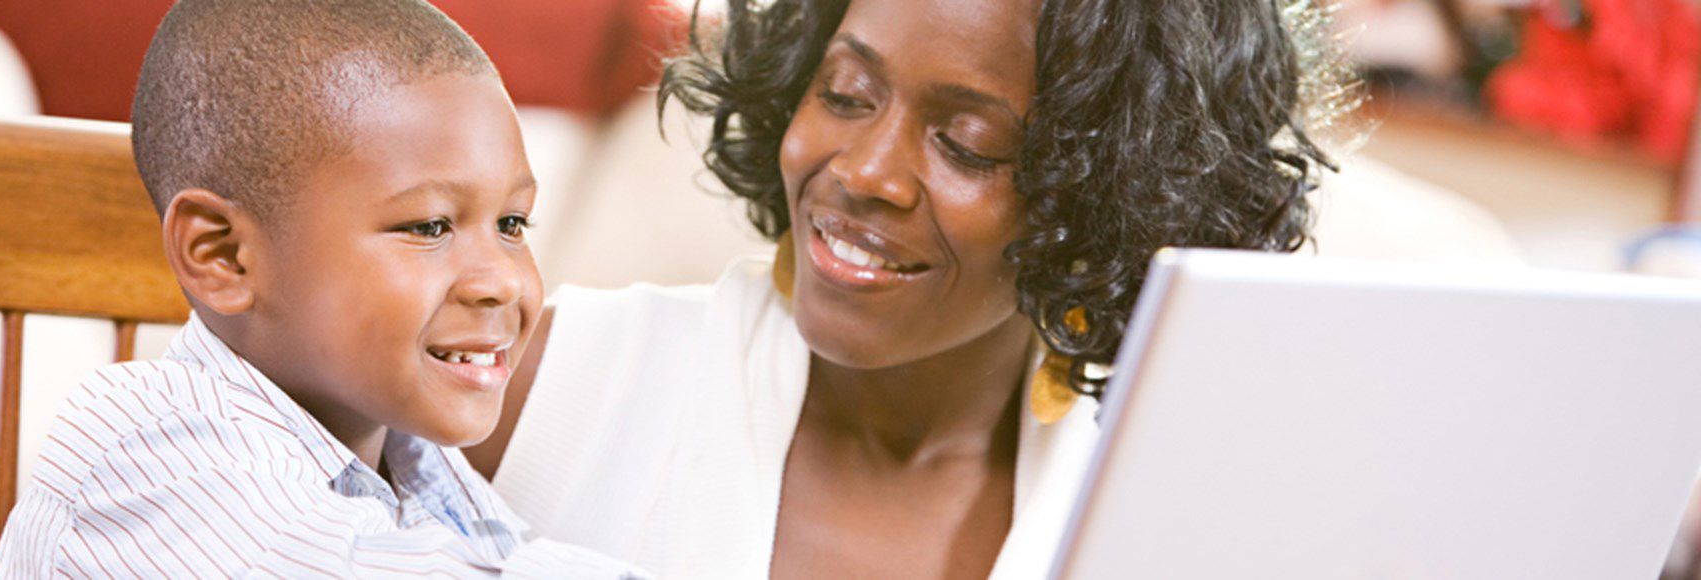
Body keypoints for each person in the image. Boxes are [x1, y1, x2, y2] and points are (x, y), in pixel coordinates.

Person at [464, 0, 1350, 577]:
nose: (865, 171)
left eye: (966, 144)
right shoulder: (532, 389)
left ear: (1104, 191)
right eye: (845, 94)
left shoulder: (1150, 510)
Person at [0, 0, 643, 576]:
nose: (501, 279)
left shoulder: (413, 461)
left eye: (511, 224)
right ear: (224, 256)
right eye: (429, 226)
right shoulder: (148, 456)